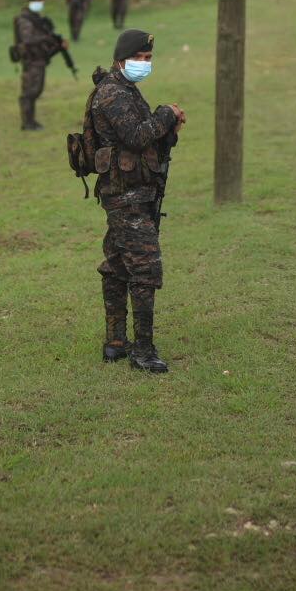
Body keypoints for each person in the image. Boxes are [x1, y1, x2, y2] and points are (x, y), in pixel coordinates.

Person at [86, 28, 184, 372]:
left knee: (116, 266)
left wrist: (167, 127)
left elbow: (146, 141)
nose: (144, 64)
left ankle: (115, 342)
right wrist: (165, 114)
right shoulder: (113, 94)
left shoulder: (125, 90)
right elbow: (136, 136)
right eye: (139, 58)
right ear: (120, 60)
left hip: (133, 192)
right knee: (145, 269)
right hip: (124, 196)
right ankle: (143, 351)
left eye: (148, 59)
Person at [13, 0, 66, 131]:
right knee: (30, 92)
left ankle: (30, 121)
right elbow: (28, 39)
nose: (41, 3)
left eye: (42, 1)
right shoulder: (25, 19)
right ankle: (27, 123)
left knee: (36, 90)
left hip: (39, 59)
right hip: (31, 60)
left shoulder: (36, 18)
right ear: (32, 1)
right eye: (39, 0)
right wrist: (46, 38)